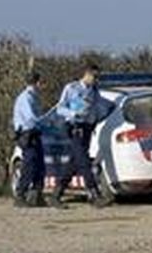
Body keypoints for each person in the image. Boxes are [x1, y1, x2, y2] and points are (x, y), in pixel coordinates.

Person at [51, 64, 110, 208]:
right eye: (95, 77)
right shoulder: (71, 88)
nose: (96, 80)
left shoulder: (94, 91)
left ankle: (56, 195)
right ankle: (94, 194)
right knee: (84, 162)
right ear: (87, 74)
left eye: (98, 77)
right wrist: (73, 113)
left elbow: (99, 107)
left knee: (73, 163)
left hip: (87, 129)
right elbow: (60, 108)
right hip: (74, 128)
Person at [12, 71, 46, 208]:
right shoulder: (26, 98)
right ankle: (20, 195)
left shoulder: (34, 96)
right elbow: (31, 117)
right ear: (37, 82)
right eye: (42, 82)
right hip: (28, 134)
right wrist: (46, 121)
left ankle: (36, 195)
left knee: (40, 165)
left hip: (35, 134)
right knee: (29, 165)